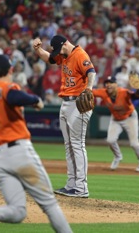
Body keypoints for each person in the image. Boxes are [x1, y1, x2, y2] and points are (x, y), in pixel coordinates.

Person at [0, 55, 72, 233]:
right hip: (20, 154)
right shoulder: (7, 87)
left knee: (18, 211)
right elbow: (13, 96)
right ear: (10, 70)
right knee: (50, 204)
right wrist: (36, 100)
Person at [33, 34, 96, 198]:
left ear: (65, 44)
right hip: (66, 103)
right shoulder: (63, 55)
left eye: (59, 51)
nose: (57, 55)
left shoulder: (80, 54)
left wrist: (89, 88)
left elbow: (91, 72)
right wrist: (38, 49)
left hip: (78, 103)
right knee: (69, 146)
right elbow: (49, 58)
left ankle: (81, 187)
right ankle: (71, 184)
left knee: (77, 144)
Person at [92, 76, 139, 172]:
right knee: (110, 140)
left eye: (111, 83)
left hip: (130, 118)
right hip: (116, 119)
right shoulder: (103, 92)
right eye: (107, 83)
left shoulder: (123, 92)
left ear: (116, 85)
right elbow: (89, 91)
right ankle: (118, 157)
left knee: (134, 143)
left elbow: (136, 96)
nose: (108, 85)